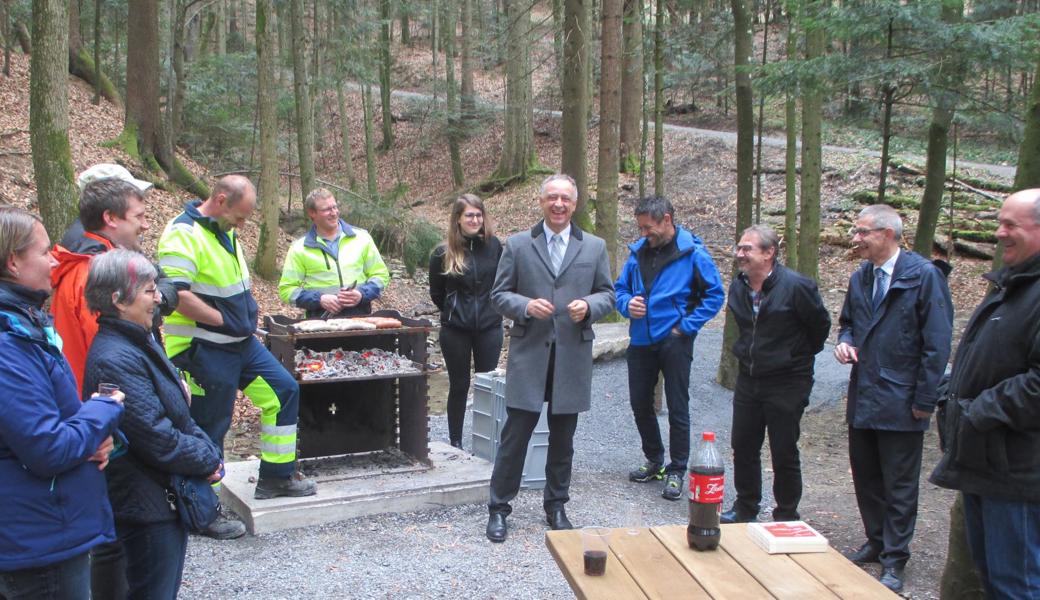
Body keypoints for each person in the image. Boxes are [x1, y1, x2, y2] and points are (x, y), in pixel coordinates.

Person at [158, 175, 315, 540]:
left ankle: (276, 477)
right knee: (209, 425)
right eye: (240, 217)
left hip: (238, 344)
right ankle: (201, 511)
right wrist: (223, 320)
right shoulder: (182, 234)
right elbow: (176, 294)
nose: (242, 225)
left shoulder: (223, 230)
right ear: (221, 198)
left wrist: (239, 321)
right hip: (201, 348)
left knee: (283, 391)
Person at [82, 249, 223, 599]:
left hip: (158, 497)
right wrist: (207, 459)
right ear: (118, 299)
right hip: (146, 506)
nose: (159, 297)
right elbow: (156, 437)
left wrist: (208, 451)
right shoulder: (115, 357)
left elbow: (177, 412)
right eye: (148, 291)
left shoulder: (141, 338)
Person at [0, 207, 124, 600]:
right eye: (42, 252)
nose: (55, 259)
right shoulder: (7, 343)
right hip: (37, 538)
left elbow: (50, 419)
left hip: (46, 524)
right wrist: (104, 409)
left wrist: (94, 437)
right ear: (13, 262)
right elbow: (47, 447)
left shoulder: (25, 321)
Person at [485, 174, 615, 543]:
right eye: (552, 198)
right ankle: (499, 508)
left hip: (571, 356)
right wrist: (525, 305)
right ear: (541, 202)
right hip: (529, 354)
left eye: (566, 199)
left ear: (575, 205)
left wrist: (588, 306)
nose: (559, 204)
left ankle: (556, 505)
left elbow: (608, 293)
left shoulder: (594, 246)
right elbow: (499, 295)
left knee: (563, 439)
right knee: (516, 435)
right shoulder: (519, 245)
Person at [834, 204, 953, 593]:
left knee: (899, 483)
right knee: (866, 475)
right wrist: (845, 343)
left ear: (887, 234)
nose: (856, 239)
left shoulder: (925, 278)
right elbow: (848, 323)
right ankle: (877, 540)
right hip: (864, 395)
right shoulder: (860, 278)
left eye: (862, 232)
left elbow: (937, 344)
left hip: (903, 400)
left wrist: (925, 400)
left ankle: (896, 558)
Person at [930, 189, 1040, 599]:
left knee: (1018, 586)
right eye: (1000, 222)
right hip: (988, 466)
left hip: (1020, 473)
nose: (999, 233)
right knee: (995, 581)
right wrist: (951, 391)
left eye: (1010, 224)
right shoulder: (1015, 284)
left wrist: (979, 410)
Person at [614, 196, 724, 500]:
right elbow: (620, 289)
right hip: (641, 339)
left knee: (678, 405)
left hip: (675, 340)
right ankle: (654, 460)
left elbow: (714, 296)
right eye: (640, 228)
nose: (643, 234)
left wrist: (685, 327)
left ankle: (677, 469)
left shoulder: (693, 253)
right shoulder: (637, 253)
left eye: (648, 227)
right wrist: (627, 304)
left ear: (666, 219)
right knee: (639, 403)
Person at [719, 225, 830, 523]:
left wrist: (793, 357)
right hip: (749, 378)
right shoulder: (739, 286)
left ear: (769, 253)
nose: (740, 254)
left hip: (788, 381)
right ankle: (745, 507)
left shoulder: (797, 286)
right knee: (742, 445)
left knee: (783, 449)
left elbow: (819, 328)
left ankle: (786, 513)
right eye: (739, 248)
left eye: (747, 249)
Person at [50, 171, 157, 391]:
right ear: (110, 218)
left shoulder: (98, 265)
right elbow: (109, 355)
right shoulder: (94, 275)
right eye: (139, 217)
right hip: (98, 400)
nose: (146, 225)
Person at [428, 194, 503, 449]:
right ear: (458, 219)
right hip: (455, 330)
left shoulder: (495, 247)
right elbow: (437, 293)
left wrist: (490, 310)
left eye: (479, 214)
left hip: (490, 327)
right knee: (459, 385)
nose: (475, 219)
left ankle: (485, 442)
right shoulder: (443, 252)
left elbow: (503, 283)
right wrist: (455, 312)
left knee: (487, 384)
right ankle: (456, 441)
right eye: (469, 215)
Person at [279, 188, 390, 318]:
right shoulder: (299, 248)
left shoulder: (362, 238)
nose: (334, 213)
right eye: (327, 209)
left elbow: (381, 275)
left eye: (335, 207)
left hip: (361, 320)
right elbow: (287, 290)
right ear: (312, 213)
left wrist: (362, 294)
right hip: (320, 325)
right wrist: (319, 299)